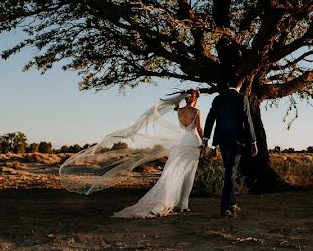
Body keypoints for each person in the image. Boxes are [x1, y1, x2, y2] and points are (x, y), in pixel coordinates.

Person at [59, 89, 204, 219]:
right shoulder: (197, 112)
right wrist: (204, 144)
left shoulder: (179, 111)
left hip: (180, 144)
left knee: (172, 173)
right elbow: (200, 130)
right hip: (192, 143)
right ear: (195, 98)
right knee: (187, 174)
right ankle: (182, 204)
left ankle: (173, 200)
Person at [202, 76, 257, 217]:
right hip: (237, 140)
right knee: (230, 172)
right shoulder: (242, 98)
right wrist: (253, 142)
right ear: (241, 84)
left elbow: (210, 119)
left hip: (221, 139)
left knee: (229, 171)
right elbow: (248, 120)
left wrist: (206, 139)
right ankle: (225, 208)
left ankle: (232, 204)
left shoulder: (218, 99)